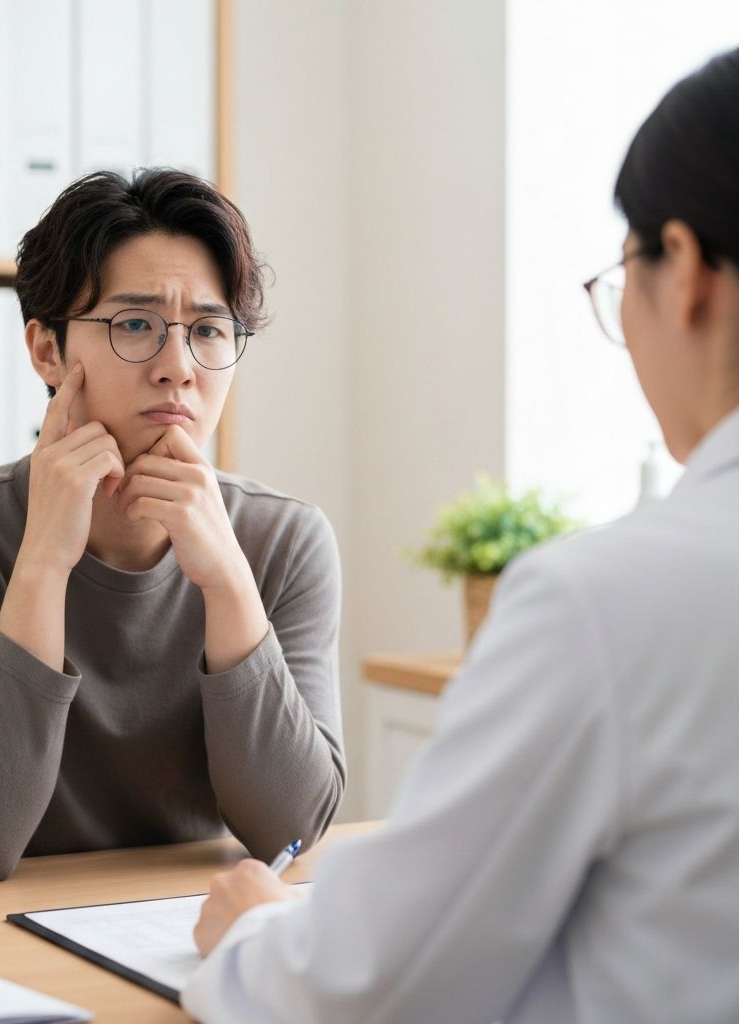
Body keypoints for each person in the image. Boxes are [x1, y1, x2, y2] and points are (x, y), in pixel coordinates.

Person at [184, 48, 739, 1024]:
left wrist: (256, 930)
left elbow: (367, 986)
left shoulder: (607, 601)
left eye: (208, 329)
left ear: (683, 270)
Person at [0, 169, 345, 881]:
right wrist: (43, 563)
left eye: (209, 331)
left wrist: (227, 583)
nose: (178, 368)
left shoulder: (285, 540)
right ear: (48, 351)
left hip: (174, 927)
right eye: (135, 325)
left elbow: (293, 834)